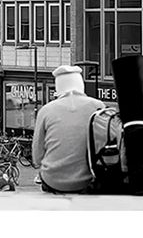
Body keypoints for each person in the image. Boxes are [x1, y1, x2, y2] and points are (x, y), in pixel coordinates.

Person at [32, 65, 105, 194]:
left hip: (52, 180)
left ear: (58, 87)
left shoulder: (46, 110)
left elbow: (37, 156)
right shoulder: (98, 106)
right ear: (80, 84)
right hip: (88, 179)